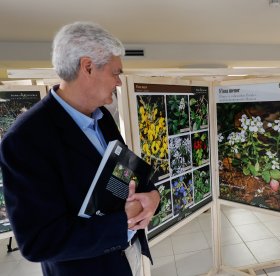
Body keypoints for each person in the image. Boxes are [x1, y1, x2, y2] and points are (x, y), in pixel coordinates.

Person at [0, 21, 160, 276]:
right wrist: (122, 224)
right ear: (87, 67)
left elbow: (124, 171)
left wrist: (152, 195)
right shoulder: (25, 139)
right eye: (115, 72)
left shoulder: (103, 118)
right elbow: (38, 242)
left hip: (128, 258)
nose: (119, 82)